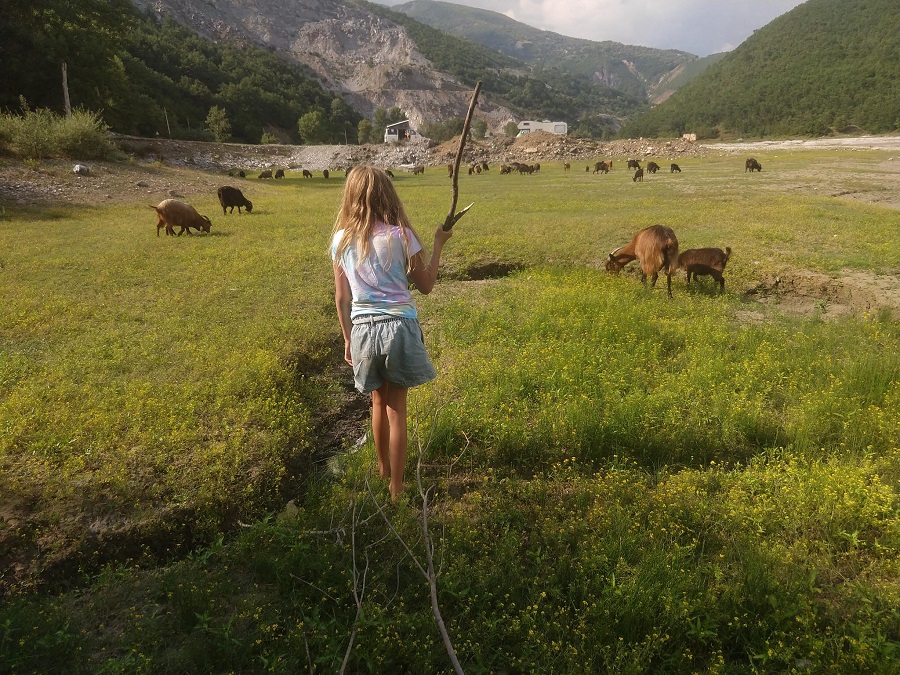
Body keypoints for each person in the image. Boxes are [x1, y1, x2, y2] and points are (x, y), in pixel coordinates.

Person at [331, 165, 453, 501]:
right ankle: (396, 488)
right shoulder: (401, 235)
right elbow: (426, 286)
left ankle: (383, 467)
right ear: (389, 195)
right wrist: (439, 243)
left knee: (377, 402)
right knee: (397, 409)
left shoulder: (340, 240)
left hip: (363, 330)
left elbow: (342, 298)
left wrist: (347, 339)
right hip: (399, 327)